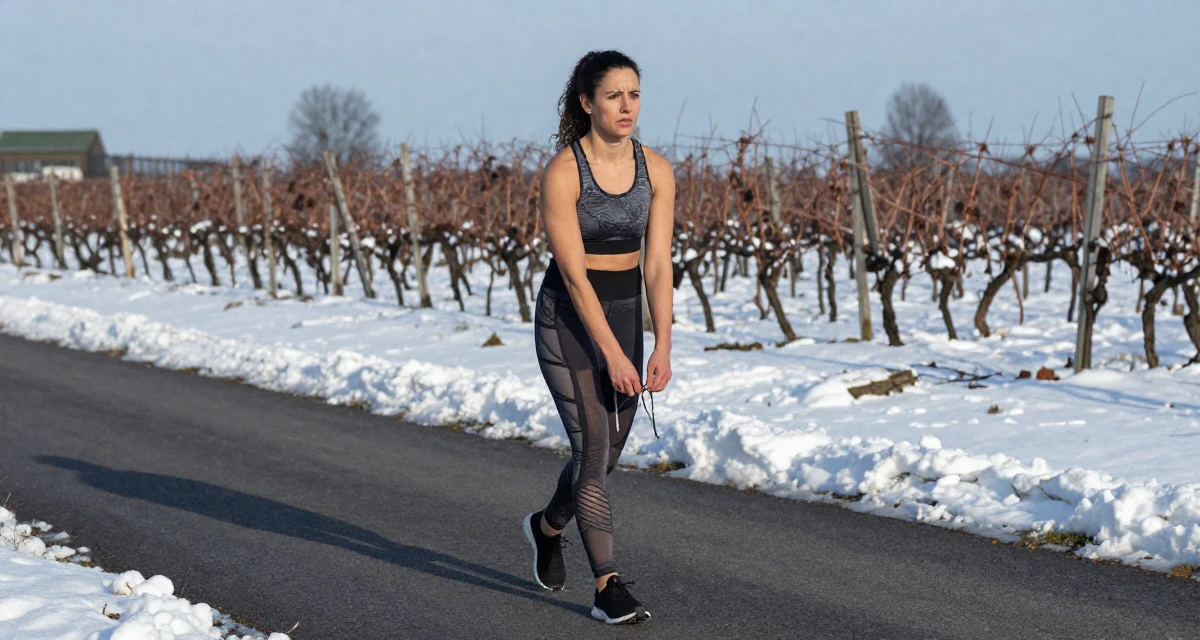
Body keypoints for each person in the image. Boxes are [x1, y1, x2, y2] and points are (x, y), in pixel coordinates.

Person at [522, 49, 674, 625]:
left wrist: (661, 344)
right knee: (592, 449)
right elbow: (575, 277)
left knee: (606, 455)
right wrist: (612, 354)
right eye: (613, 95)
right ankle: (608, 586)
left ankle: (546, 527)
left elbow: (657, 265)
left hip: (626, 315)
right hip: (569, 320)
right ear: (587, 103)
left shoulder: (657, 169)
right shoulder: (564, 173)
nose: (626, 105)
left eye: (634, 94)